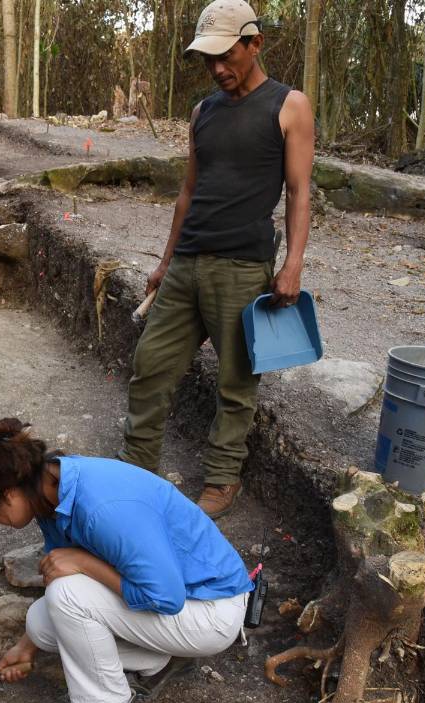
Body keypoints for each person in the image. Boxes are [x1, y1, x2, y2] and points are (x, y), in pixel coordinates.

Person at [118, 0, 315, 519]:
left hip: (243, 268)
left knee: (236, 381)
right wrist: (164, 262)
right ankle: (137, 471)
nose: (217, 69)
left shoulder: (288, 105)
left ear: (255, 44)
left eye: (226, 56)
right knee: (151, 366)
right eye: (209, 60)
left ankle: (222, 479)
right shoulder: (203, 112)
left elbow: (298, 191)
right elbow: (188, 193)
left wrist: (292, 263)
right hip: (186, 263)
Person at [0, 418, 254, 703]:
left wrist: (83, 564)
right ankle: (163, 660)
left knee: (66, 595)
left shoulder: (102, 508)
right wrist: (27, 647)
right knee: (41, 622)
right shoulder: (49, 488)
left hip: (210, 609)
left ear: (9, 494)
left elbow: (165, 597)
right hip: (184, 604)